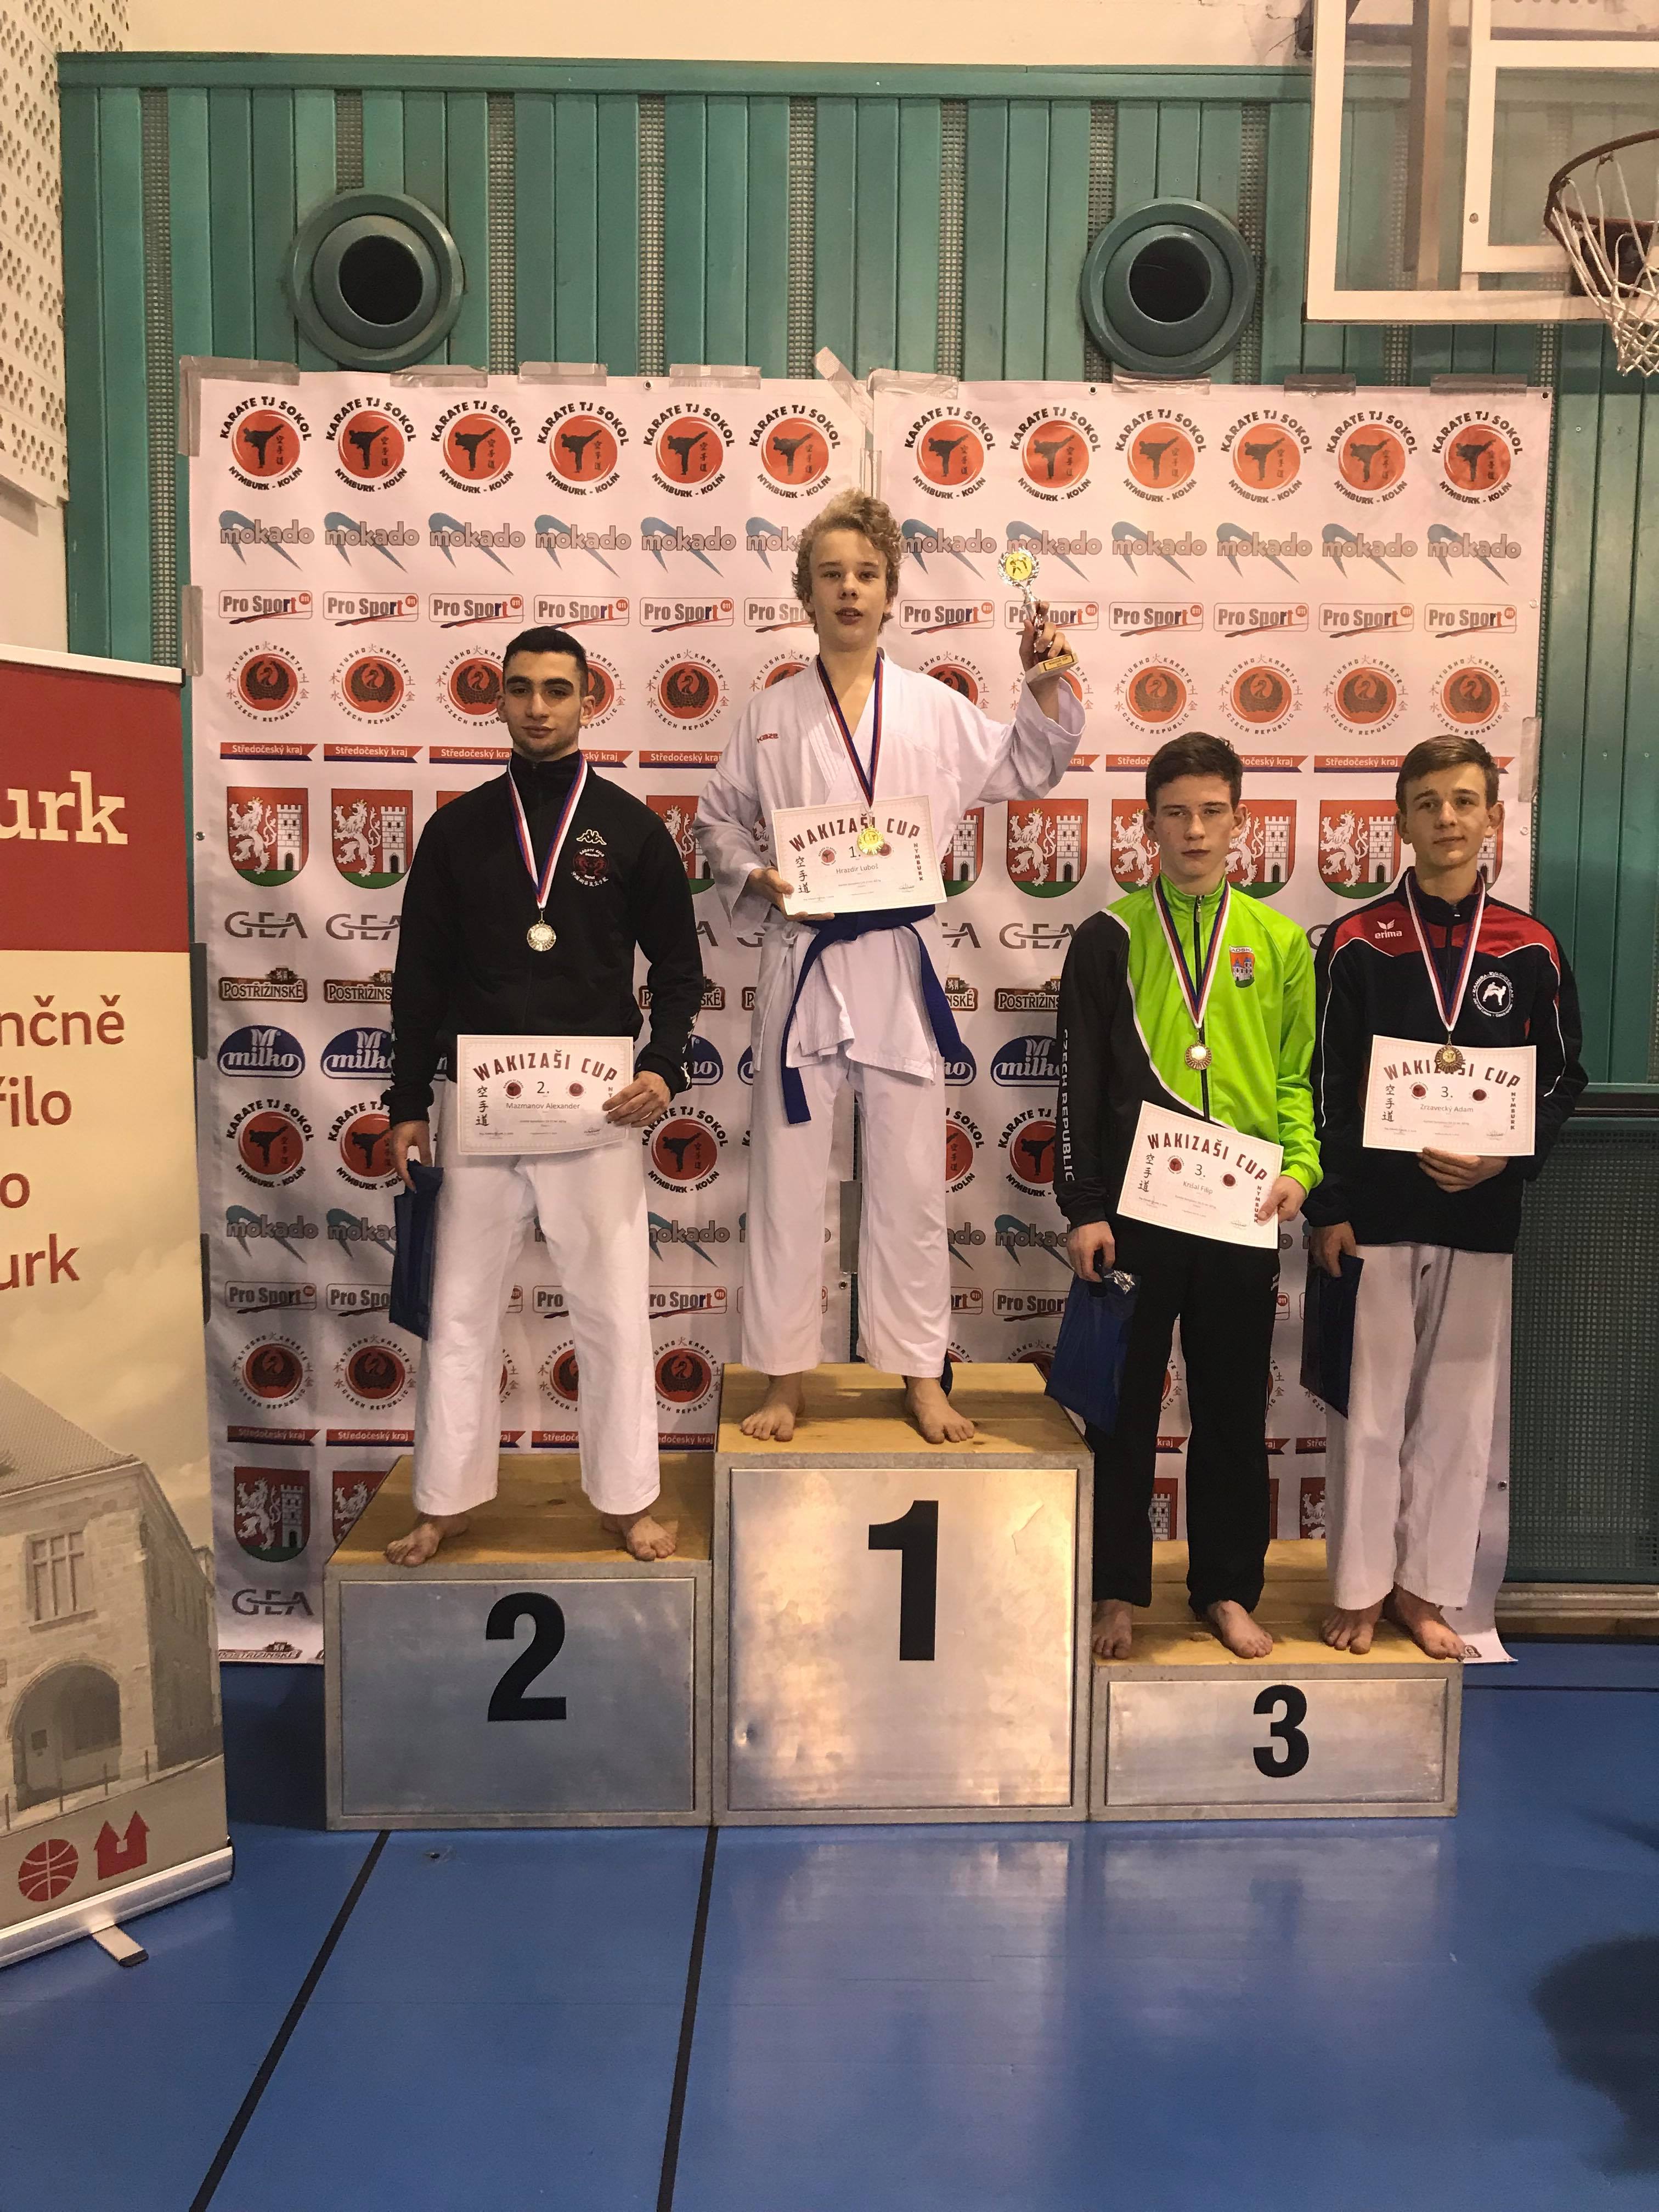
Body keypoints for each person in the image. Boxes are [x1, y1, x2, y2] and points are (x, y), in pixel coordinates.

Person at [696, 488, 1080, 1443]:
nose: (849, 590)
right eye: (831, 575)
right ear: (807, 593)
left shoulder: (933, 709)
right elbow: (717, 824)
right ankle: (785, 1377)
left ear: (890, 592)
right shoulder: (769, 714)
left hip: (899, 965)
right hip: (804, 961)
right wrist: (759, 879)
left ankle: (920, 1374)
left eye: (866, 575)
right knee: (788, 1182)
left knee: (910, 1184)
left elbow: (1029, 765)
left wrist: (1042, 683)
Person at [380, 625, 705, 1565]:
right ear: (497, 702)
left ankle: (628, 1501)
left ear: (588, 700)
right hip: (478, 1104)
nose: (537, 707)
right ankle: (444, 1500)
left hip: (597, 1106)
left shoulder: (633, 829)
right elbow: (419, 978)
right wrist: (408, 1100)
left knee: (611, 1308)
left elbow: (679, 971)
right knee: (460, 1310)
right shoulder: (458, 831)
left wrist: (664, 1066)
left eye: (557, 690)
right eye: (520, 689)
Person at [1307, 736, 1585, 1658]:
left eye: (1465, 801)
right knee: (1370, 1409)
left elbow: (1563, 1076)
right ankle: (1359, 1589)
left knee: (1458, 1417)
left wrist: (1508, 1160)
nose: (1447, 819)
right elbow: (1324, 1080)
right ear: (1402, 821)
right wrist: (1330, 1206)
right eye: (1427, 803)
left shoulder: (1532, 947)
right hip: (1376, 1217)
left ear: (1494, 817)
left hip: (1481, 1213)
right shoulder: (1356, 941)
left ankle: (1424, 1593)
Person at [1054, 733, 1319, 1660]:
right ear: (1149, 825)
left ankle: (1227, 1590)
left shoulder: (1280, 944)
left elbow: (1296, 1079)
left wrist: (1301, 1168)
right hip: (1136, 1213)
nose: (1195, 830)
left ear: (1240, 822)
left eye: (1212, 812)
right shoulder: (1110, 937)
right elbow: (1079, 1082)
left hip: (1242, 1210)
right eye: (1176, 813)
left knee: (1233, 1410)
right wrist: (1085, 1206)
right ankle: (1116, 1589)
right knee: (1121, 1410)